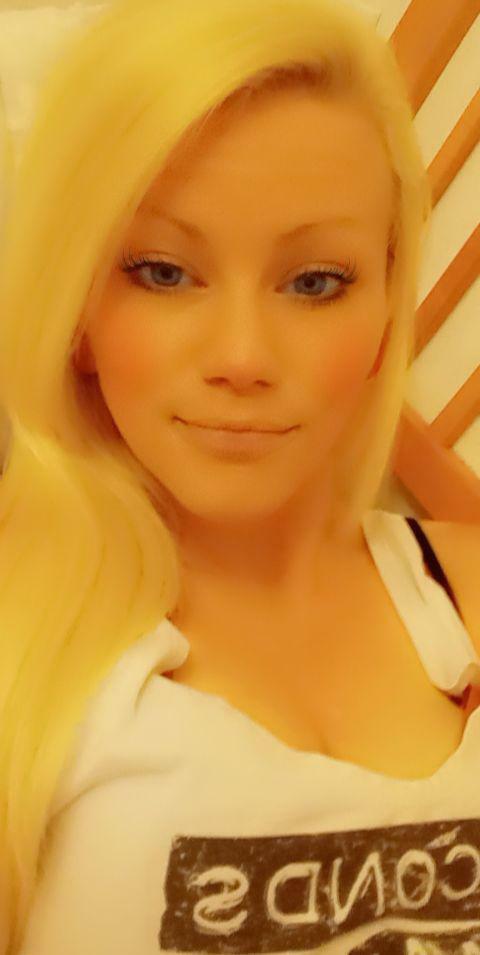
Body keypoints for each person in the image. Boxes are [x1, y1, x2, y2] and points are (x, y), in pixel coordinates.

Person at [0, 0, 479, 952]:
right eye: (162, 271)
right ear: (77, 308)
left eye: (315, 282)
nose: (243, 357)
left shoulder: (462, 586)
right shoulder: (21, 632)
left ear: (387, 309)